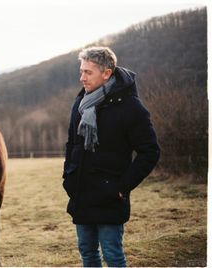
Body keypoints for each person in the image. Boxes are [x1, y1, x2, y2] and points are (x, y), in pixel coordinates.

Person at [62, 46, 160, 267]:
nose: (82, 78)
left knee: (112, 255)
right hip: (81, 192)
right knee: (87, 252)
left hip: (110, 196)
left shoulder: (130, 107)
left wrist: (123, 187)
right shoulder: (80, 103)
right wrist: (68, 175)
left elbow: (150, 151)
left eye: (88, 72)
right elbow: (72, 144)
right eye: (81, 71)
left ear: (107, 73)